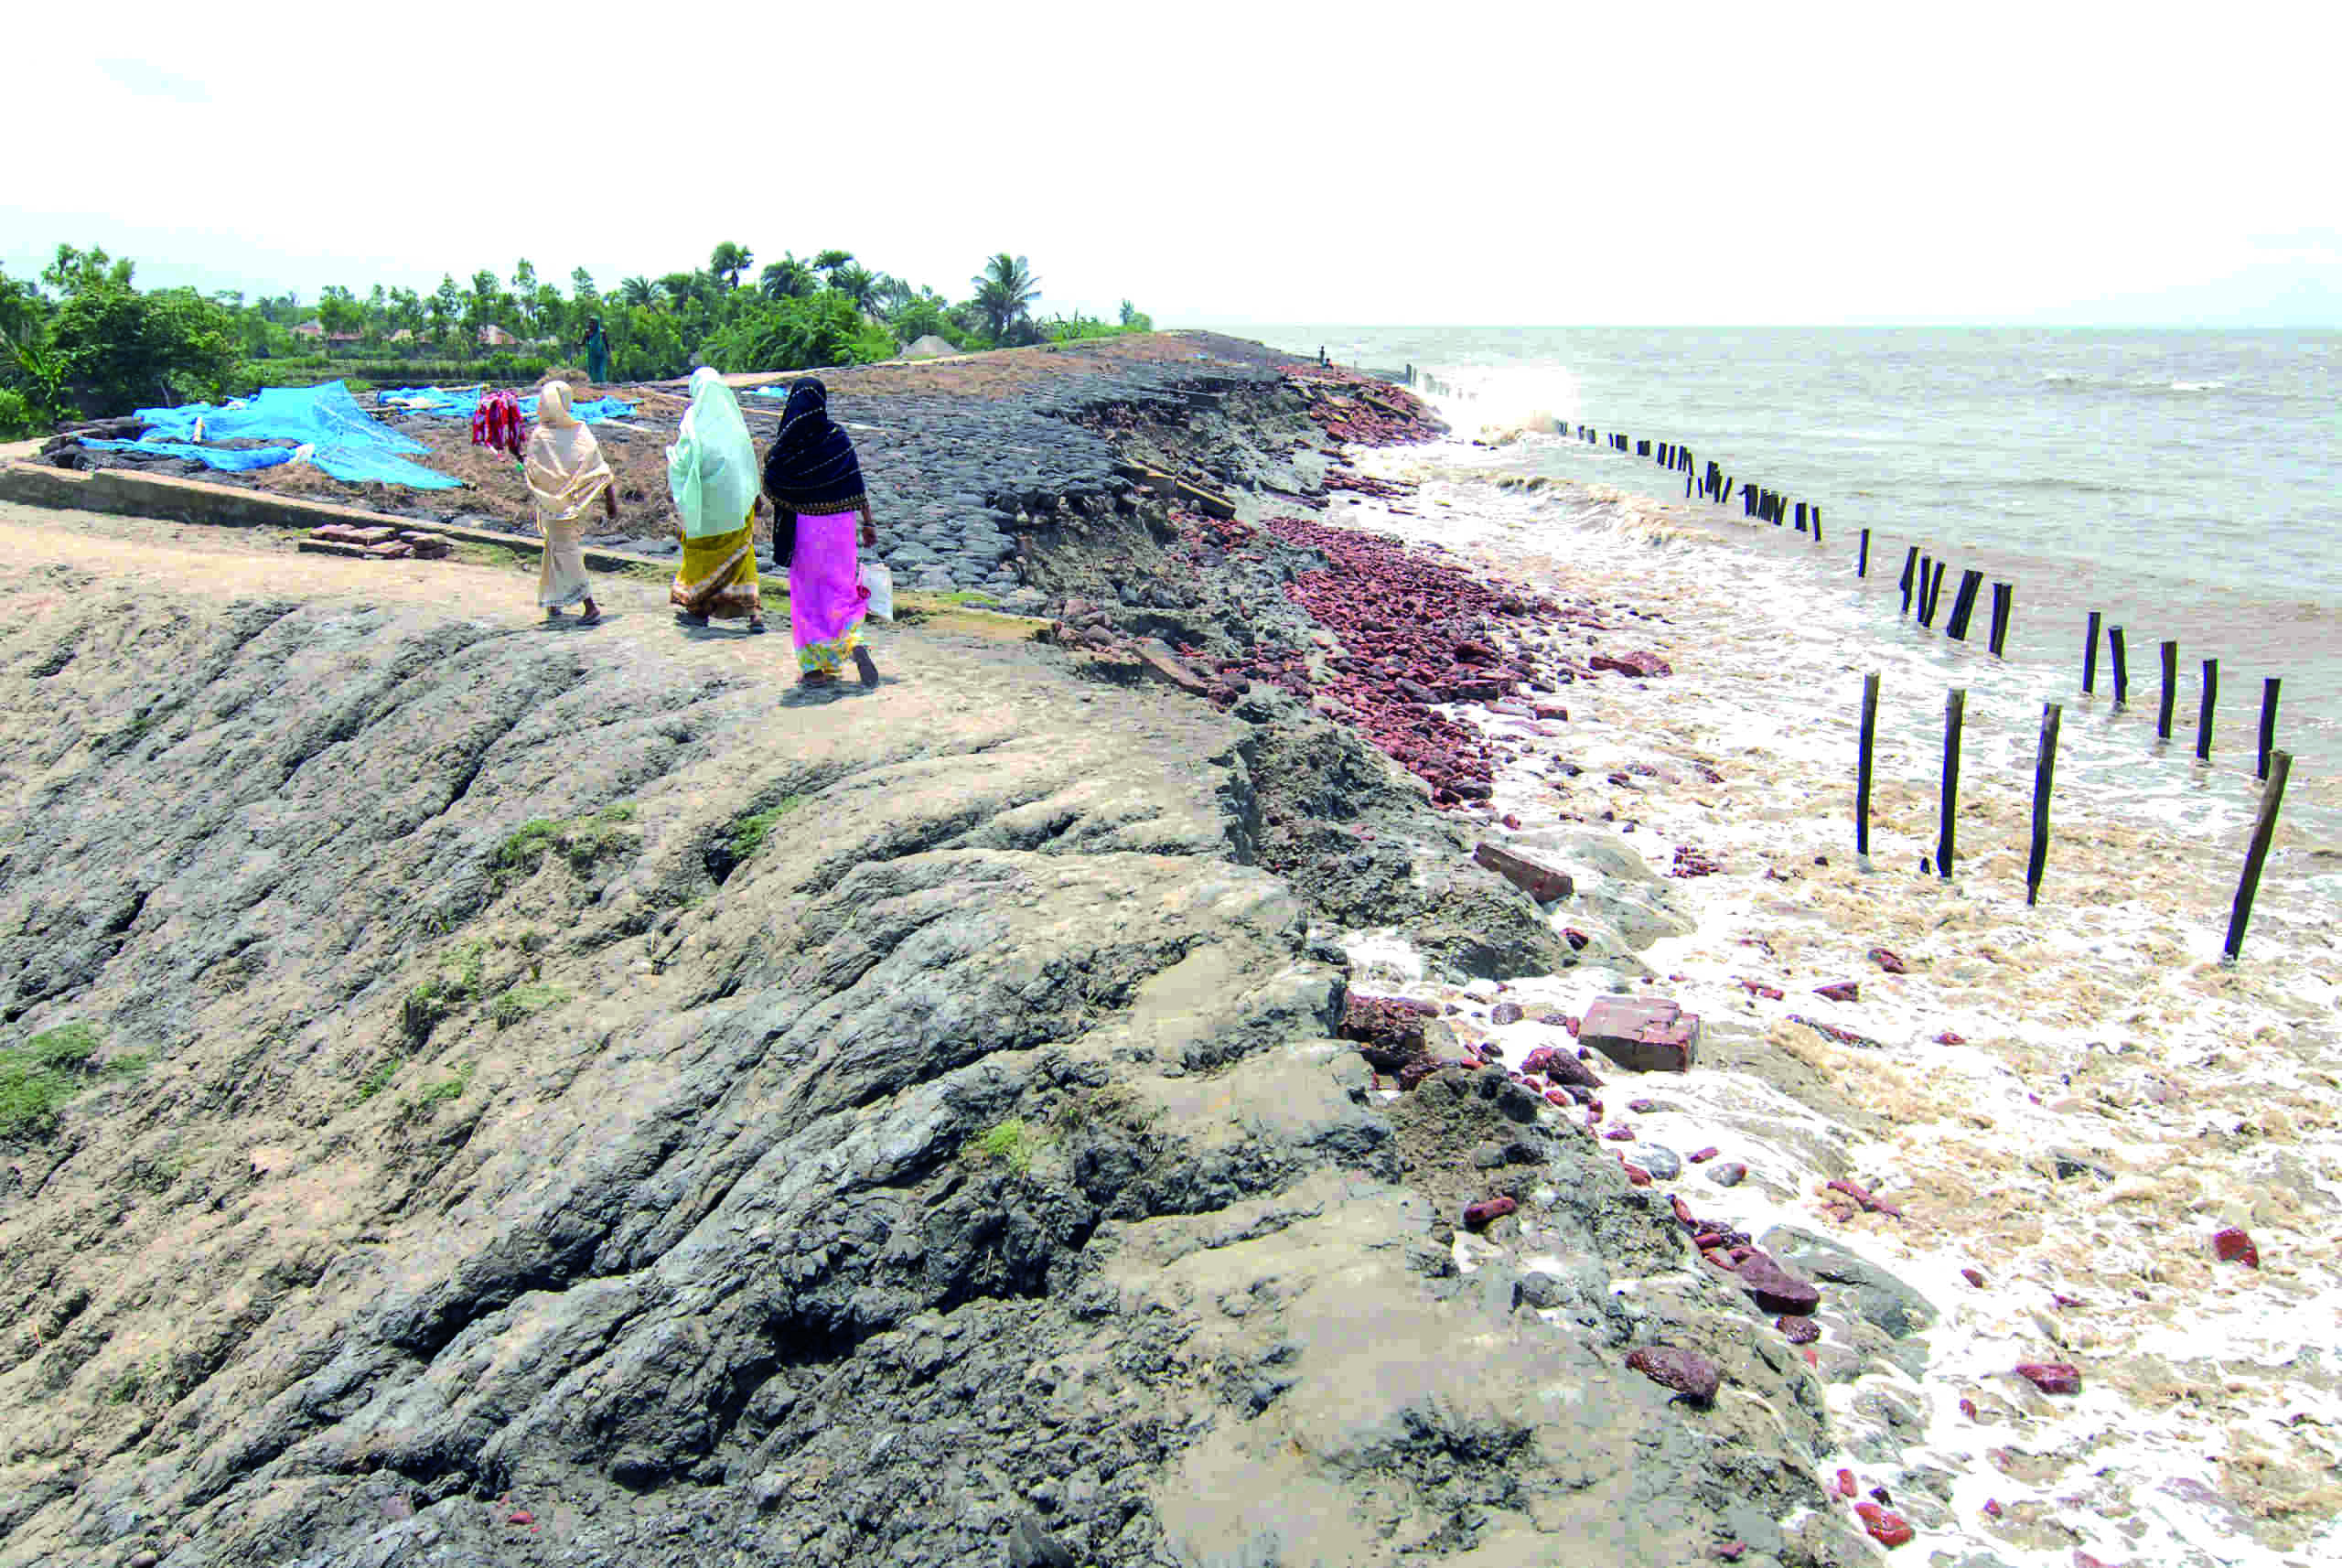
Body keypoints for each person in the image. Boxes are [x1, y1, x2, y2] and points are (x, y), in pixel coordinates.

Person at [760, 377, 880, 687]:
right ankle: (854, 640)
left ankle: (813, 668)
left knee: (808, 596)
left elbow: (771, 481)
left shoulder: (787, 449)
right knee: (842, 588)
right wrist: (868, 523)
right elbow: (856, 482)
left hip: (804, 529)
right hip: (840, 529)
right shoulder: (837, 438)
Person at [666, 368, 767, 632]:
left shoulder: (693, 423)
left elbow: (683, 461)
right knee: (743, 556)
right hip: (739, 506)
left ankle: (699, 609)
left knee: (700, 553)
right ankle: (754, 613)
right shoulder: (735, 423)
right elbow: (748, 464)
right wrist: (755, 496)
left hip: (707, 507)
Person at [523, 381, 614, 625]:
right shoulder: (580, 430)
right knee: (555, 548)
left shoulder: (541, 435)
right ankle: (553, 602)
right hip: (575, 503)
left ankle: (590, 606)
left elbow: (535, 468)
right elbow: (599, 468)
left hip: (556, 505)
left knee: (565, 551)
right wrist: (609, 500)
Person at [582, 316, 609, 385]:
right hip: (592, 354)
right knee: (592, 369)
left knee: (601, 370)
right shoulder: (587, 332)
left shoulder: (602, 332)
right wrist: (577, 344)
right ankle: (594, 384)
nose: (591, 325)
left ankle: (602, 383)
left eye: (593, 323)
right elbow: (583, 343)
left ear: (597, 323)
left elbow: (606, 343)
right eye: (590, 323)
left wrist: (609, 353)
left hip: (601, 354)